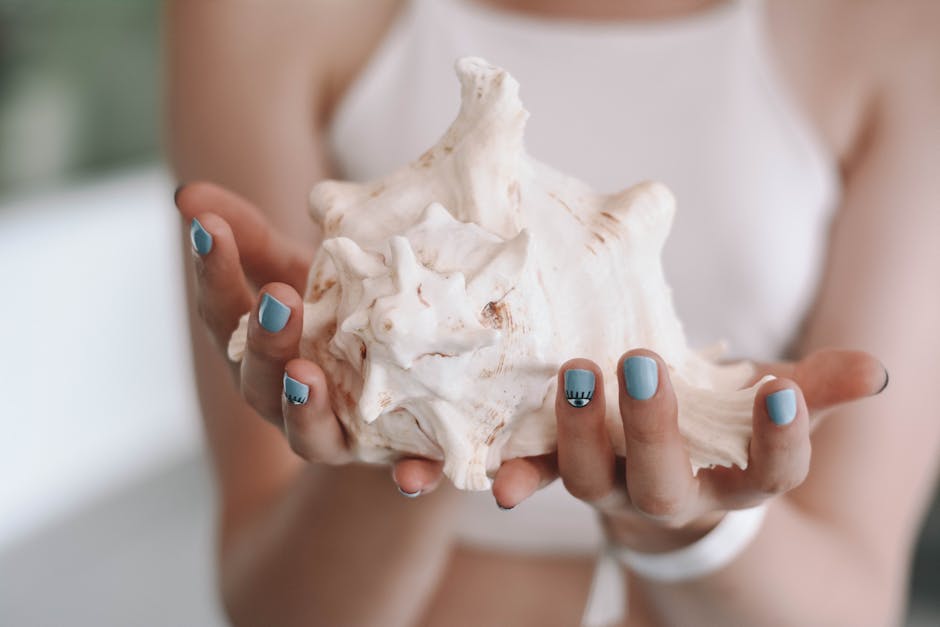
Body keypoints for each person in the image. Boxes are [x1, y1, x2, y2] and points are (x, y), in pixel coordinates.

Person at [167, 0, 940, 625]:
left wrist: (692, 524)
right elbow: (270, 607)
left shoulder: (903, 27)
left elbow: (858, 599)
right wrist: (400, 413)